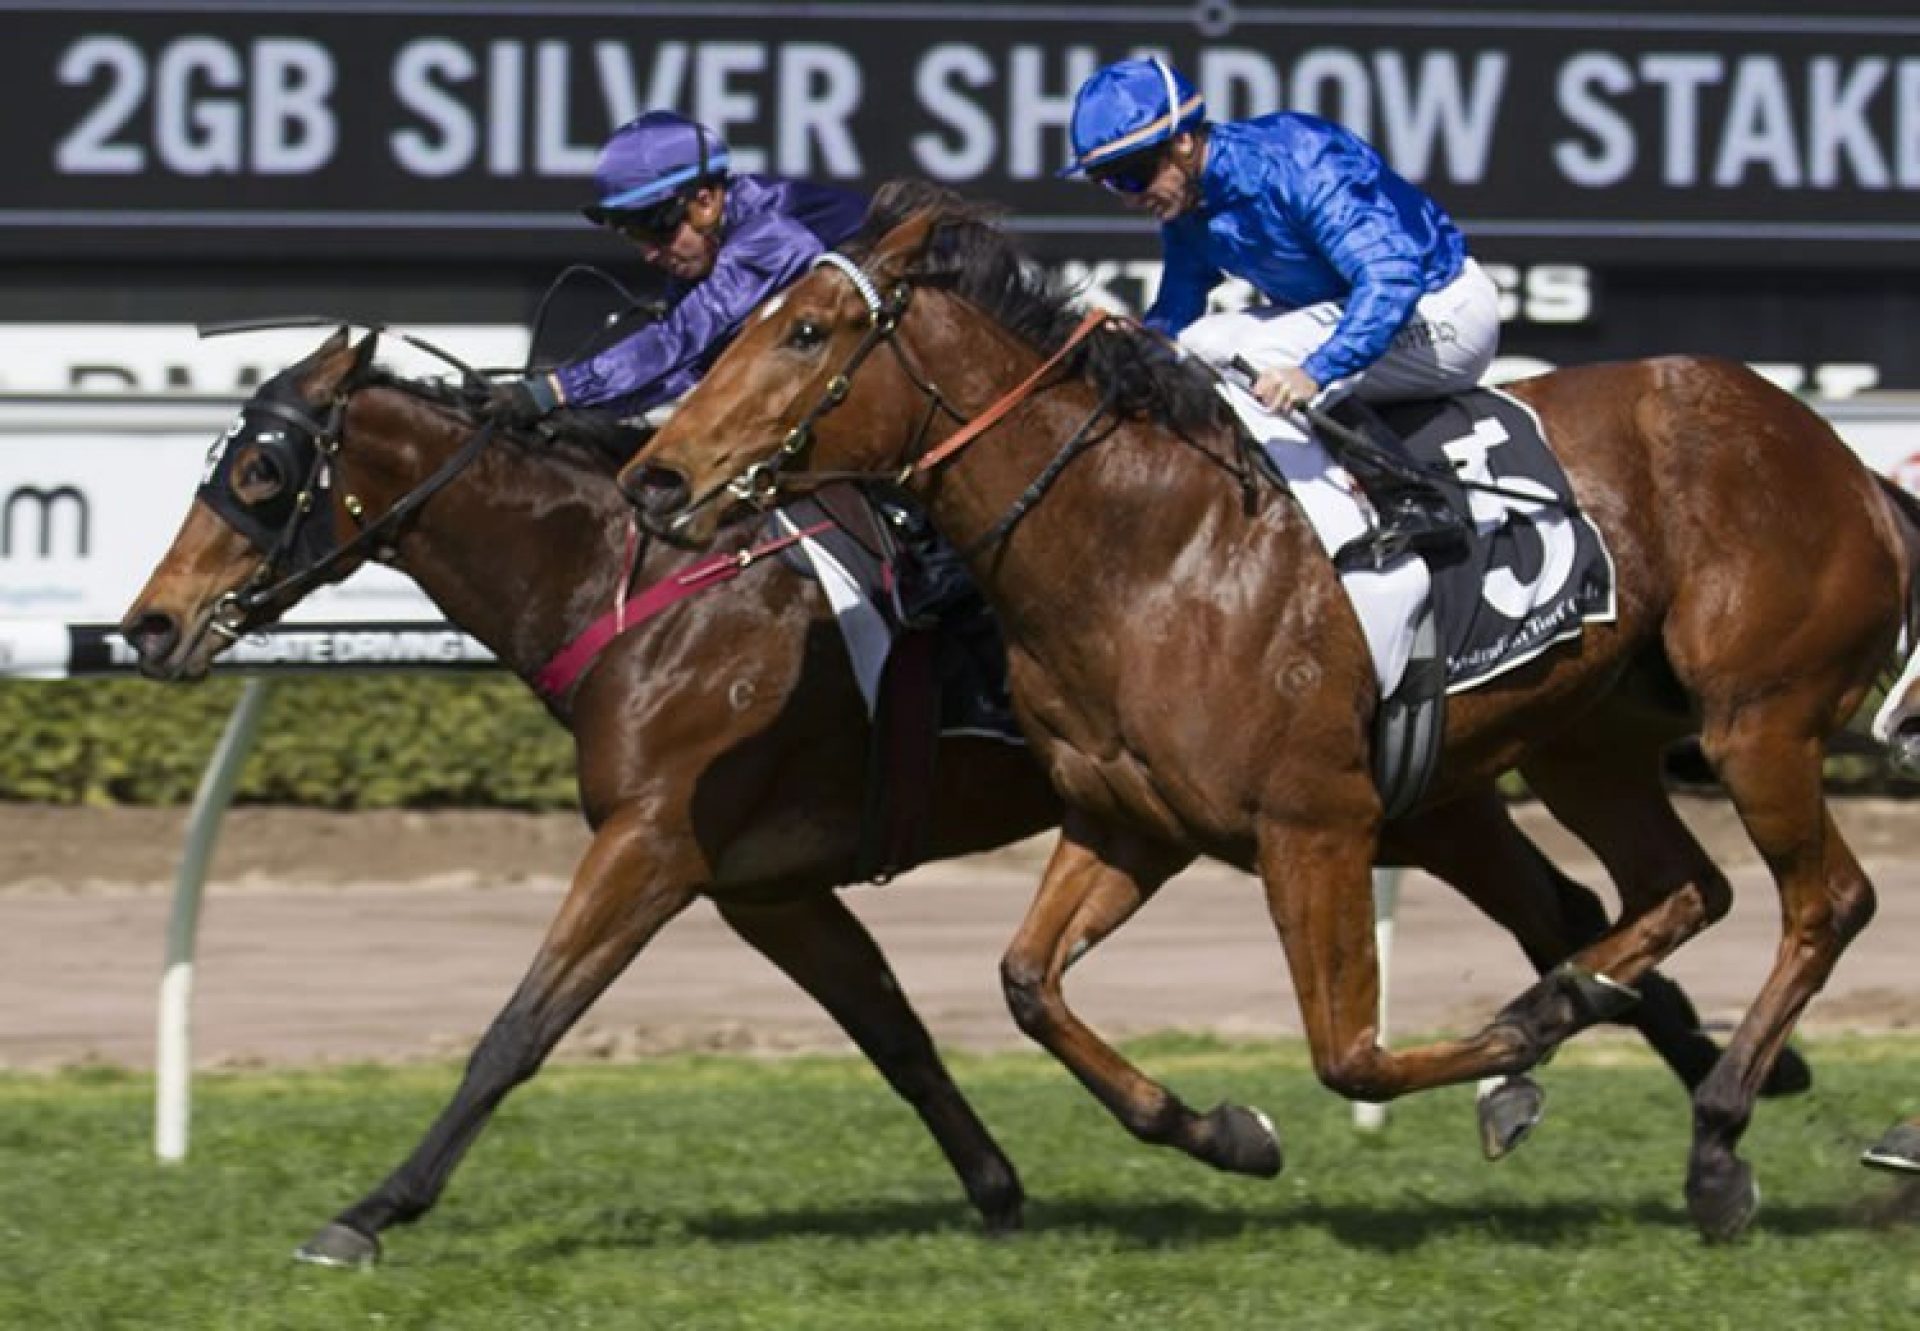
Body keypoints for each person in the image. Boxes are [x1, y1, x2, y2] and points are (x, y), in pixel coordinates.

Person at [1061, 57, 1501, 569]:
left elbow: (1391, 277)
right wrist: (1134, 348)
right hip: (1358, 314)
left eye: (1133, 176)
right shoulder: (1188, 201)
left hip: (1442, 311)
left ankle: (1412, 498)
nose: (1129, 198)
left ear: (1183, 141)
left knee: (1261, 352)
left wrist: (1317, 371)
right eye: (1110, 183)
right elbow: (1180, 308)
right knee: (1201, 344)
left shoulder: (1299, 160)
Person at [475, 110, 867, 435]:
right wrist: (568, 414)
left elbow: (675, 341)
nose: (648, 254)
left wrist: (557, 390)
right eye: (633, 235)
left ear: (706, 201)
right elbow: (686, 371)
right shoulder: (703, 255)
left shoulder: (771, 233)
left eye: (655, 229)